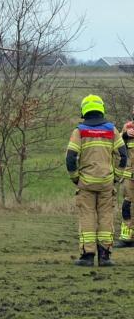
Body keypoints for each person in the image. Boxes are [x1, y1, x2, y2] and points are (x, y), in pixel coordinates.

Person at [66, 95, 128, 266]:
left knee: (87, 217)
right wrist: (116, 176)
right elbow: (123, 156)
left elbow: (71, 158)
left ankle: (87, 256)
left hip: (85, 183)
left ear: (84, 110)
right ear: (101, 109)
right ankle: (105, 256)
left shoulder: (79, 131)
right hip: (107, 183)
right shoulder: (112, 130)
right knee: (106, 217)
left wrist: (75, 178)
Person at [116, 119, 134, 247]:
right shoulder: (127, 126)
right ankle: (127, 238)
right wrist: (125, 135)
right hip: (129, 177)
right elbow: (117, 144)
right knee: (127, 206)